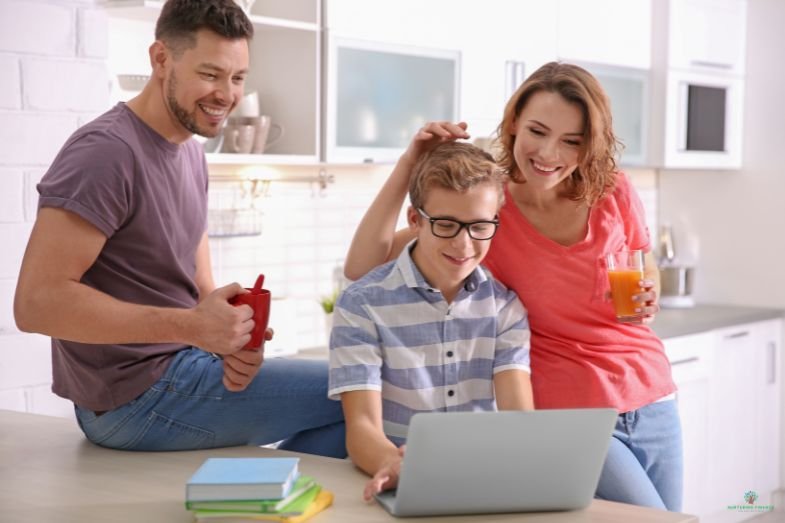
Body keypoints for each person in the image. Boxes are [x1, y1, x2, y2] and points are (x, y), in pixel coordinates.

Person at [342, 62, 682, 511]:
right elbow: (362, 265)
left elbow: (643, 259)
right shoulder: (489, 208)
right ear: (514, 123)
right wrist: (410, 164)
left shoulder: (613, 191)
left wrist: (649, 293)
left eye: (571, 141)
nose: (548, 152)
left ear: (589, 146)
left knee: (678, 515)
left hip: (652, 395)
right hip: (573, 412)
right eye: (538, 131)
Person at [12, 0, 345, 457]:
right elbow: (36, 304)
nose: (227, 94)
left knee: (364, 399)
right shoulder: (105, 153)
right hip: (134, 398)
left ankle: (269, 493)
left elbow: (199, 284)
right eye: (210, 74)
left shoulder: (190, 150)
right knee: (361, 387)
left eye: (238, 77)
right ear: (160, 59)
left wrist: (230, 340)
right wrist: (192, 327)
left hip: (183, 369)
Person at [329, 142, 534, 500]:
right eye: (446, 225)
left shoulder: (505, 308)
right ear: (415, 220)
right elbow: (361, 428)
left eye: (479, 226)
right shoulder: (362, 304)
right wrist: (396, 465)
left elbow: (520, 418)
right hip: (399, 481)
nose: (463, 244)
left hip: (483, 479)